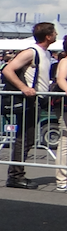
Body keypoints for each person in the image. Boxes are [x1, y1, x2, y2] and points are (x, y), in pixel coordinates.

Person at [0, 22, 57, 189]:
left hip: (37, 100)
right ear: (48, 36)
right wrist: (24, 88)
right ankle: (15, 176)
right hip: (29, 101)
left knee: (27, 138)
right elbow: (7, 70)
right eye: (54, 32)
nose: (55, 35)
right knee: (24, 138)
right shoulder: (32, 52)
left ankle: (16, 174)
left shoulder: (45, 53)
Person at [55, 53, 67, 193]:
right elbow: (61, 79)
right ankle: (62, 179)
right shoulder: (65, 61)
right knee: (65, 140)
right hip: (64, 106)